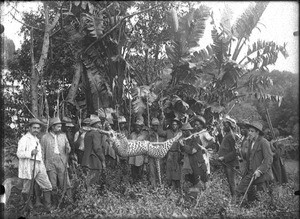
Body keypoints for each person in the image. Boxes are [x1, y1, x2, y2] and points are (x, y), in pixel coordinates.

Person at [17, 118, 53, 211]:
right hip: (28, 164)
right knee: (27, 189)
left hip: (39, 164)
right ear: (29, 128)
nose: (36, 130)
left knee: (47, 185)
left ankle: (48, 208)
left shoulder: (37, 139)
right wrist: (30, 153)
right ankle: (30, 209)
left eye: (38, 128)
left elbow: (40, 155)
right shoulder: (24, 139)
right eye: (34, 128)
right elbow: (19, 153)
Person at [235, 121, 274, 206]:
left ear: (258, 132)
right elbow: (249, 158)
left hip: (262, 175)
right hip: (250, 173)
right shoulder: (250, 142)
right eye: (249, 131)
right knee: (239, 190)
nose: (249, 133)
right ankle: (241, 210)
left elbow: (269, 159)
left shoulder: (264, 142)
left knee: (262, 199)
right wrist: (239, 152)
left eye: (252, 131)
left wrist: (260, 171)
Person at [41, 117, 72, 205]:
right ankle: (54, 203)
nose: (60, 128)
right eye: (58, 127)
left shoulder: (63, 136)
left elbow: (68, 147)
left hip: (62, 161)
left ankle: (68, 202)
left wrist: (68, 148)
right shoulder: (44, 137)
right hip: (50, 163)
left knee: (66, 183)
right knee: (52, 185)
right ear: (52, 127)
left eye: (60, 126)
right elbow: (42, 152)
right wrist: (42, 165)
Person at [180, 122, 207, 192]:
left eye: (184, 131)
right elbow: (182, 151)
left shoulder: (196, 138)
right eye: (182, 131)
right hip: (190, 166)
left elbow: (192, 151)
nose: (183, 133)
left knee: (200, 185)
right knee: (189, 185)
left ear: (188, 131)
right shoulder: (185, 140)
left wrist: (183, 145)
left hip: (198, 165)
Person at [81, 117, 106, 189]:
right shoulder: (95, 133)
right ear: (94, 125)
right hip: (93, 162)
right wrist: (103, 160)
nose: (100, 125)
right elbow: (97, 148)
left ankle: (87, 197)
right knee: (93, 183)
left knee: (87, 182)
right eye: (99, 124)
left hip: (86, 162)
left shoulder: (88, 133)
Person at [158, 118, 182, 190]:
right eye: (173, 125)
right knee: (169, 167)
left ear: (177, 125)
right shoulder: (168, 132)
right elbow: (160, 132)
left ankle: (177, 185)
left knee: (177, 168)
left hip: (177, 153)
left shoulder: (180, 133)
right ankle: (169, 184)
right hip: (170, 153)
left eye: (175, 125)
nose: (174, 126)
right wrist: (161, 122)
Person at [218, 116, 239, 200]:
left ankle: (235, 199)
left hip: (230, 163)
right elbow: (223, 145)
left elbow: (235, 152)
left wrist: (224, 158)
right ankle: (233, 198)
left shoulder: (232, 136)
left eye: (226, 125)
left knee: (232, 182)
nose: (224, 127)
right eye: (224, 125)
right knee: (229, 182)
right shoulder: (227, 135)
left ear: (230, 126)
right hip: (226, 162)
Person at [128, 119, 149, 183]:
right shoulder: (132, 135)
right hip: (132, 156)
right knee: (133, 172)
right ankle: (134, 184)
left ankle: (140, 185)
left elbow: (146, 147)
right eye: (136, 126)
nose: (137, 128)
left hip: (140, 157)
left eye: (139, 127)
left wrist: (146, 158)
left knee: (140, 172)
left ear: (141, 128)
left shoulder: (144, 136)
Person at [147, 118, 165, 188]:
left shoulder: (162, 133)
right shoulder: (150, 134)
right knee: (152, 170)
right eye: (154, 126)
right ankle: (153, 185)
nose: (155, 127)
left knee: (160, 169)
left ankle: (160, 184)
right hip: (152, 154)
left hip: (160, 155)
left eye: (157, 126)